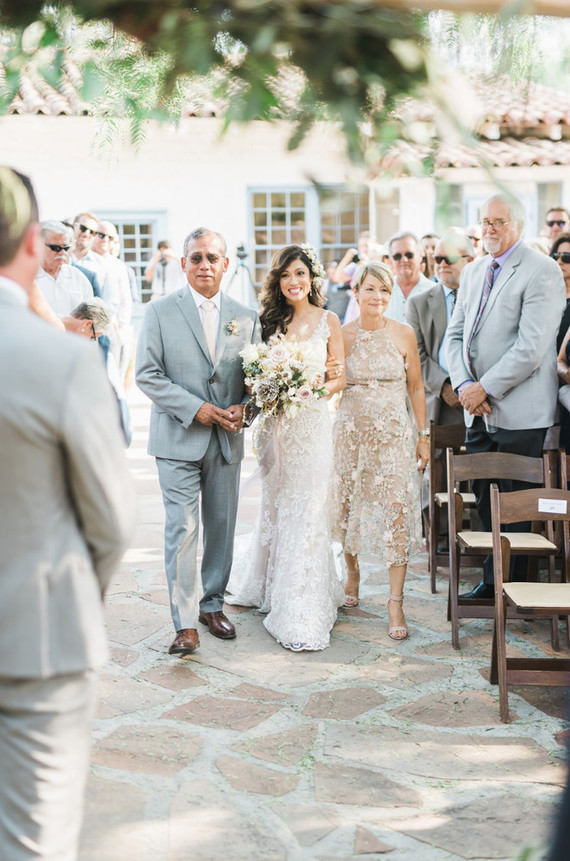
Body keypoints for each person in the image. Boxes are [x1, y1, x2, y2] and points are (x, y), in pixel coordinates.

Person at [0, 167, 135, 859]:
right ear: (31, 245)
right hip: (38, 640)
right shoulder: (60, 360)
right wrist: (73, 592)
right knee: (33, 840)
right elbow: (111, 523)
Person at [136, 227, 259, 656]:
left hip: (226, 440)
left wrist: (247, 408)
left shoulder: (247, 316)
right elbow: (147, 374)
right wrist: (196, 408)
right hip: (177, 437)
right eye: (196, 258)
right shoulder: (159, 312)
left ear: (226, 264)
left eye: (212, 257)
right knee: (183, 529)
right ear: (183, 263)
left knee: (222, 528)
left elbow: (258, 381)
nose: (204, 265)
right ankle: (184, 622)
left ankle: (212, 605)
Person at [226, 244, 346, 651]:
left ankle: (301, 600)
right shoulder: (268, 322)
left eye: (300, 274)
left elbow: (339, 379)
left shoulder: (330, 320)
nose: (294, 282)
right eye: (286, 275)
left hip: (311, 428)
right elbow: (250, 378)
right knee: (276, 508)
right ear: (277, 281)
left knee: (308, 508)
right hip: (276, 432)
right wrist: (266, 386)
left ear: (312, 277)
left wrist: (310, 388)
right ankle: (269, 583)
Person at [446, 192, 565, 600]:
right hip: (476, 410)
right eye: (485, 222)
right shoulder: (475, 270)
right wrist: (464, 387)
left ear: (518, 224)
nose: (490, 230)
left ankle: (506, 587)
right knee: (483, 494)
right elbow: (454, 336)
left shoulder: (542, 270)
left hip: (520, 411)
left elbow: (531, 348)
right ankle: (497, 578)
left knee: (514, 503)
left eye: (498, 222)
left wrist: (486, 387)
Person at [330, 261, 428, 640]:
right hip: (350, 434)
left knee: (396, 514)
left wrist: (423, 435)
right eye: (370, 289)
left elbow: (416, 387)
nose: (377, 297)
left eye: (384, 290)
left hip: (392, 437)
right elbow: (330, 378)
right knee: (347, 506)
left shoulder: (404, 334)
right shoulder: (342, 332)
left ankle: (395, 601)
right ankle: (352, 572)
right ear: (356, 292)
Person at [406, 231, 474, 427]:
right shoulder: (418, 303)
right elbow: (415, 355)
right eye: (438, 258)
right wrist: (444, 386)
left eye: (449, 258)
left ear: (469, 260)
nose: (442, 264)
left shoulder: (484, 299)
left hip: (479, 401)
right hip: (437, 402)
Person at [36, 220, 94, 316]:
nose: (62, 253)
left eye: (66, 248)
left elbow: (89, 317)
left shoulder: (78, 278)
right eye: (56, 248)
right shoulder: (27, 279)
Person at [385, 232, 433, 323]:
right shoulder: (382, 292)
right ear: (391, 259)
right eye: (397, 256)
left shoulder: (434, 292)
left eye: (409, 255)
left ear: (421, 256)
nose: (404, 260)